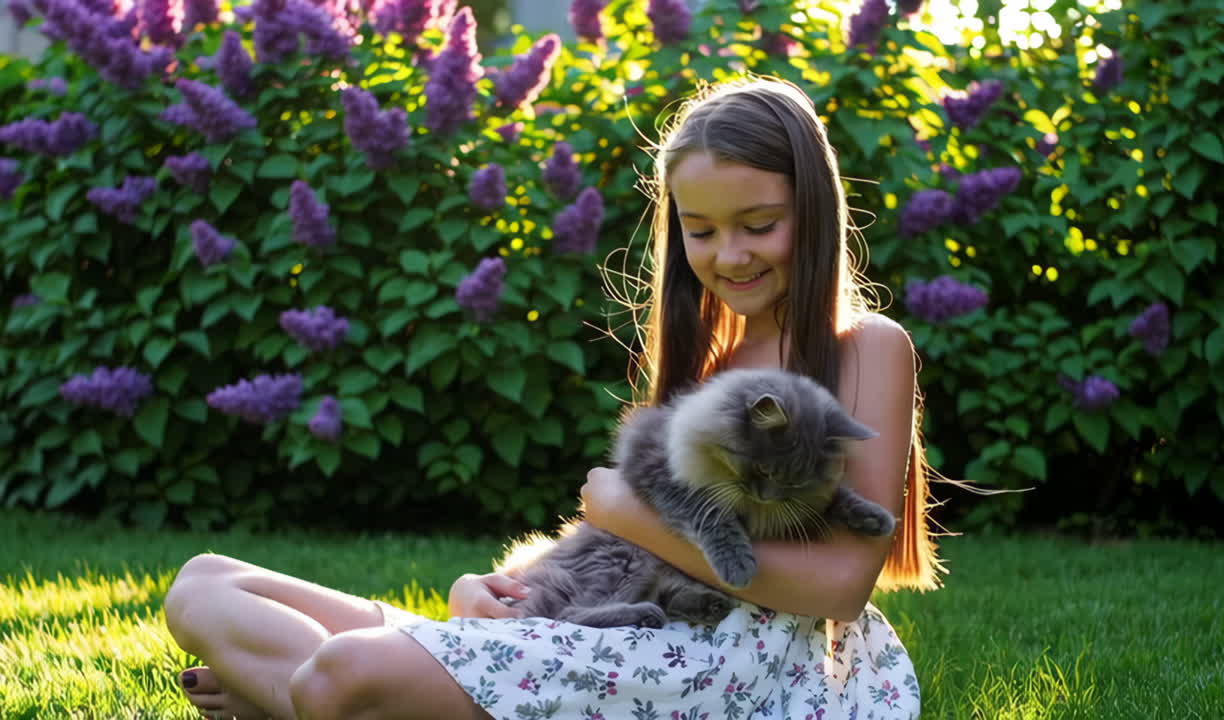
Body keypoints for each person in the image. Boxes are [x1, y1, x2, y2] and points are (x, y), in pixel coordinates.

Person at [164, 75, 940, 720]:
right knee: (202, 586)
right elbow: (621, 548)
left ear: (815, 212)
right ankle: (335, 703)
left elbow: (840, 587)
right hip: (612, 625)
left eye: (759, 224)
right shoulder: (710, 357)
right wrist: (499, 590)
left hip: (729, 659)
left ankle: (314, 702)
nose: (728, 254)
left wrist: (622, 511)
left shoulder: (865, 349)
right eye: (700, 231)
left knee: (338, 675)